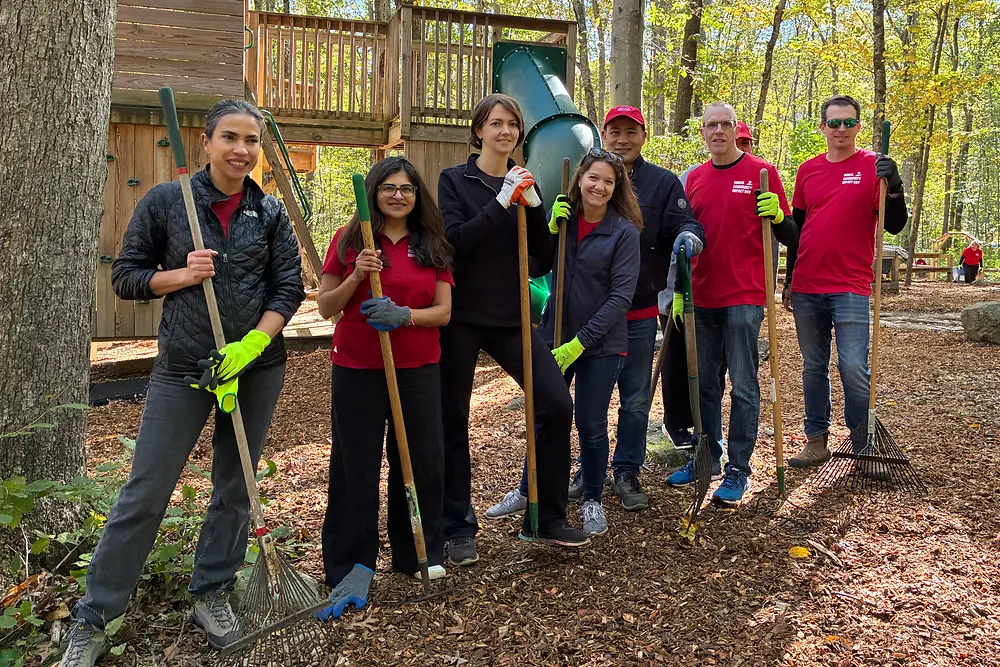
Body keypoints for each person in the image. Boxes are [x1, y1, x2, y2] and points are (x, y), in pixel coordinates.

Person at [60, 100, 305, 666]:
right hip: (183, 370)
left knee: (234, 489)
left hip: (255, 368)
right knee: (145, 491)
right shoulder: (168, 203)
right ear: (206, 141)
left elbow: (287, 288)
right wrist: (182, 275)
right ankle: (94, 617)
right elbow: (126, 278)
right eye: (230, 138)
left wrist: (252, 345)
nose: (242, 150)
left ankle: (212, 591)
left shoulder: (267, 213)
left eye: (251, 140)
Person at [437, 93, 590, 565]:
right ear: (478, 129)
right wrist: (501, 201)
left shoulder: (523, 183)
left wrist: (540, 207)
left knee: (555, 402)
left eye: (512, 125)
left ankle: (544, 516)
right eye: (496, 123)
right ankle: (458, 527)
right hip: (460, 317)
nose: (505, 132)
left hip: (512, 318)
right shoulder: (454, 181)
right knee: (451, 422)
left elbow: (541, 258)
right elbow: (454, 243)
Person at [314, 157, 453, 619]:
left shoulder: (431, 242)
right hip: (357, 365)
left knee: (421, 460)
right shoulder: (352, 238)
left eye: (408, 188)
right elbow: (325, 307)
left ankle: (417, 549)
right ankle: (352, 563)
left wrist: (405, 315)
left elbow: (443, 312)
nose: (398, 195)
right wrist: (356, 275)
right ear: (373, 192)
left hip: (417, 366)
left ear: (418, 195)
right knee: (357, 464)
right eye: (389, 187)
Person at [490, 147, 642, 535]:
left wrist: (579, 343)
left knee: (591, 423)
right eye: (594, 178)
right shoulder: (565, 220)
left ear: (616, 187)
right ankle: (529, 490)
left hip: (602, 347)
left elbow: (619, 299)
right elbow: (536, 267)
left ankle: (592, 498)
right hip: (553, 337)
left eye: (609, 181)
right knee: (545, 416)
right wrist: (551, 230)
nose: (600, 186)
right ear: (580, 179)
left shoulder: (623, 233)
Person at [667, 102, 798, 505]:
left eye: (726, 124)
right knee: (704, 383)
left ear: (735, 129)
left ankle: (740, 467)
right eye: (711, 125)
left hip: (745, 295)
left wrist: (777, 215)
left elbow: (793, 234)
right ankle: (707, 455)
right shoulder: (693, 180)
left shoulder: (762, 172)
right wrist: (676, 290)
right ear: (703, 133)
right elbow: (681, 236)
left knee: (743, 384)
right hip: (700, 297)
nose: (719, 131)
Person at [784, 95, 908, 467]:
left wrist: (896, 185)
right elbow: (798, 229)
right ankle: (817, 440)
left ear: (858, 126)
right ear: (822, 127)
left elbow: (895, 224)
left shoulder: (874, 166)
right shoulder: (807, 170)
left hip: (850, 284)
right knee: (812, 366)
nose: (841, 129)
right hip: (807, 283)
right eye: (834, 122)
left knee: (854, 366)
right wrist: (789, 280)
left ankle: (864, 446)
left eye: (848, 123)